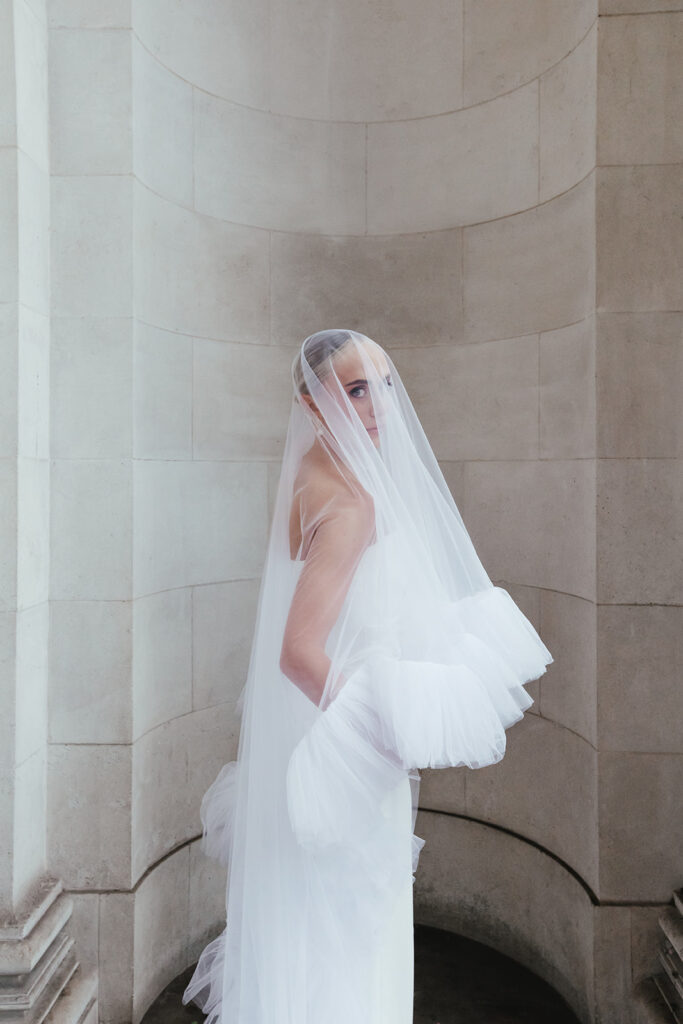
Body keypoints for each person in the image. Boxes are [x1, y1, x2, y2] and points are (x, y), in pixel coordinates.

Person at [182, 329, 553, 1024]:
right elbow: (298, 651)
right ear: (311, 401)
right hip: (339, 750)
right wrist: (382, 728)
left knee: (315, 922)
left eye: (384, 383)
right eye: (355, 388)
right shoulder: (351, 503)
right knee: (348, 928)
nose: (379, 403)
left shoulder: (316, 468)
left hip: (309, 739)